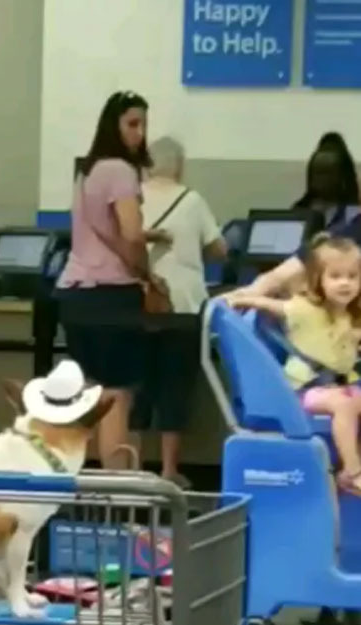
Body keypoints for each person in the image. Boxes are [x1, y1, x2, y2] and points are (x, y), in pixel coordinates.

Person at [55, 91, 158, 469]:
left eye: (144, 124)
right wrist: (147, 270)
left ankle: (84, 479)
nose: (140, 133)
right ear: (113, 126)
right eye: (132, 123)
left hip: (75, 292)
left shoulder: (88, 170)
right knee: (117, 395)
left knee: (89, 393)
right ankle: (119, 488)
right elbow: (131, 234)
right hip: (112, 294)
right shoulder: (121, 170)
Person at [233, 235, 361, 496]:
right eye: (335, 276)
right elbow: (273, 306)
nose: (345, 283)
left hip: (341, 387)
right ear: (318, 280)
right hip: (305, 391)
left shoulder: (352, 315)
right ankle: (352, 472)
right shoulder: (305, 309)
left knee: (346, 400)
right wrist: (242, 299)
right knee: (343, 405)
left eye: (352, 276)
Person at [134, 136, 227, 484]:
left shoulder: (132, 198)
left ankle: (132, 468)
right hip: (183, 306)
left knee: (139, 386)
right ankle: (170, 470)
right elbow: (219, 249)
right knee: (175, 385)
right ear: (180, 166)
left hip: (138, 302)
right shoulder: (193, 200)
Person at [293, 135, 360, 226]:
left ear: (342, 178)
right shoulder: (297, 213)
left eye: (328, 173)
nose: (322, 180)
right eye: (318, 173)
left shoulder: (354, 215)